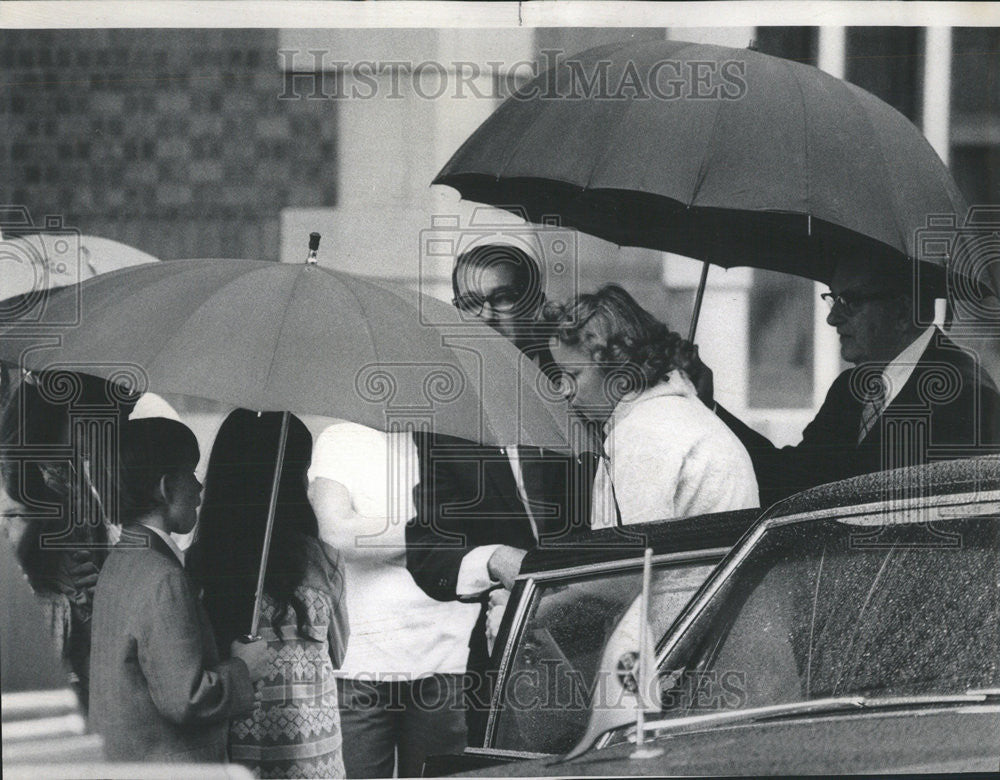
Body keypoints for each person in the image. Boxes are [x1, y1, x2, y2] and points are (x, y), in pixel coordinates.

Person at [405, 242, 595, 742]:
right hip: (509, 658)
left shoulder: (583, 387)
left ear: (535, 303)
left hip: (608, 644)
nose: (484, 315)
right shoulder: (445, 419)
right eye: (469, 303)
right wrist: (492, 559)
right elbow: (429, 551)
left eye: (503, 297)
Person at [685, 257, 1000, 508]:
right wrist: (709, 405)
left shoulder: (970, 400)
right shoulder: (851, 389)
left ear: (902, 311)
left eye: (850, 301)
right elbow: (791, 484)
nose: (832, 318)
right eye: (833, 299)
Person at [88, 417, 267, 762]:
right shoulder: (164, 577)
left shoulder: (121, 559)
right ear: (167, 487)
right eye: (191, 474)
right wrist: (244, 667)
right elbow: (186, 698)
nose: (199, 488)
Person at [308, 421, 478, 778]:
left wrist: (371, 530)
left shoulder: (459, 436)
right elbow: (336, 534)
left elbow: (482, 528)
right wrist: (435, 533)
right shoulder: (340, 437)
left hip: (450, 657)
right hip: (359, 662)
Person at [187, 409, 349, 779]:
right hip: (315, 755)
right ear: (295, 478)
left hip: (237, 752)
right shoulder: (324, 559)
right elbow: (338, 652)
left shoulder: (201, 564)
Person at [544, 284, 759, 527]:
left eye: (573, 374)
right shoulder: (676, 413)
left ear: (619, 371)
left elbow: (629, 560)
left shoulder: (640, 437)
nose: (563, 389)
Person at [0, 371, 138, 713]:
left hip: (82, 645)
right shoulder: (12, 476)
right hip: (36, 643)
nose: (113, 434)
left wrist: (100, 580)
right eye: (108, 419)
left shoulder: (77, 476)